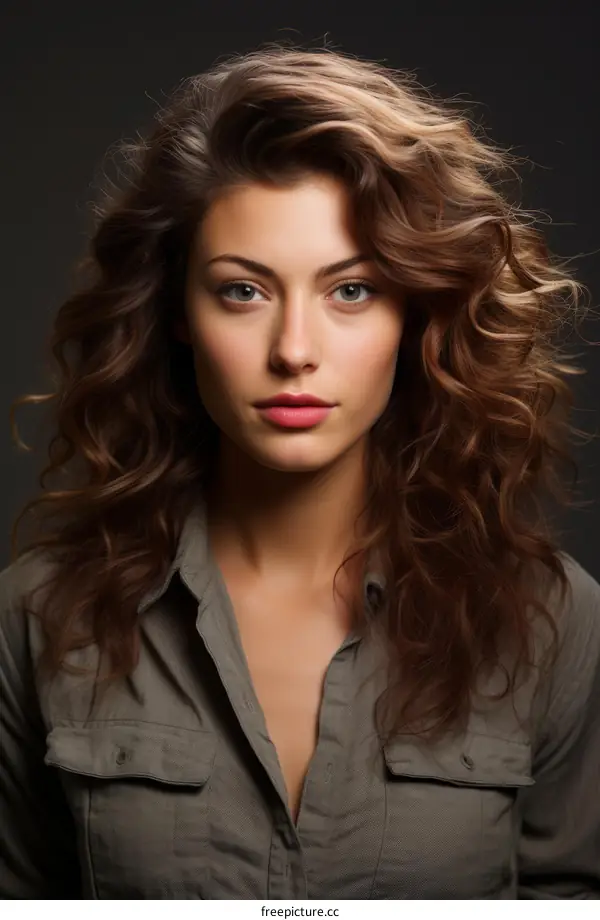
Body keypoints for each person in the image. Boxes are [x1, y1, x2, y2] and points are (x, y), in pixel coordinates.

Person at [1, 43, 599, 901]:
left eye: (350, 291)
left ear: (414, 313)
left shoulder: (551, 621)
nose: (293, 351)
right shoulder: (37, 617)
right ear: (177, 311)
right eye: (243, 291)